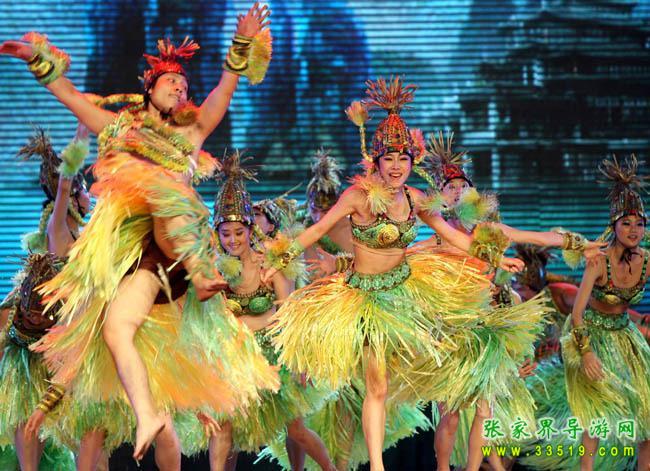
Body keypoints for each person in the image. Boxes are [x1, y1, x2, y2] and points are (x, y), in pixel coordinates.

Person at [0, 2, 273, 461]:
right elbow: (71, 96)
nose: (180, 88)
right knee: (116, 329)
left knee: (164, 190)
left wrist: (242, 41)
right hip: (141, 261)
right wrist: (37, 58)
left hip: (178, 248)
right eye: (172, 82)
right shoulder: (119, 129)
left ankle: (203, 272)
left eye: (185, 86)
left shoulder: (191, 133)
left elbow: (225, 88)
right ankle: (148, 415)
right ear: (149, 89)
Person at [562, 154, 650, 470]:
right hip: (591, 333)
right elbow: (577, 314)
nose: (633, 230)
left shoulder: (647, 259)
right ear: (614, 226)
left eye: (640, 224)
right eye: (626, 223)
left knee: (647, 407)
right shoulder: (598, 261)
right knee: (595, 413)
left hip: (624, 333)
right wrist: (586, 353)